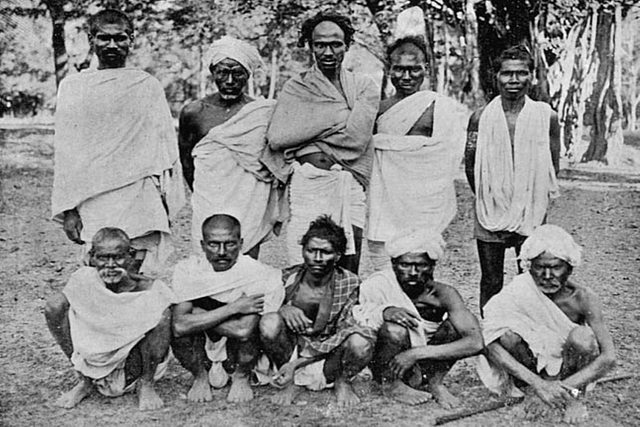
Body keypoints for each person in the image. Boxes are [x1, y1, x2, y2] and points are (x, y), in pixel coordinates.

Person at [51, 9, 185, 275]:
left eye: (120, 38)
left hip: (139, 194)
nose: (112, 45)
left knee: (136, 271)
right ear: (91, 39)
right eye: (104, 38)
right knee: (100, 269)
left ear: (131, 39)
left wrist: (166, 196)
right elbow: (65, 152)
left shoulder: (147, 85)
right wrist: (68, 209)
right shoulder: (73, 87)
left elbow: (166, 147)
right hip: (93, 196)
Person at [264, 12, 380, 273]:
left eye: (336, 44)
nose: (328, 52)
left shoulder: (364, 86)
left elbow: (356, 140)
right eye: (320, 44)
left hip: (348, 182)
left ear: (347, 45)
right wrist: (341, 117)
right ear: (310, 45)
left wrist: (308, 130)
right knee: (304, 256)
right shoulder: (296, 87)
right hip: (308, 183)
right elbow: (278, 138)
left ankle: (345, 312)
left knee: (348, 257)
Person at [477, 224, 616, 424]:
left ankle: (574, 398)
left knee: (583, 338)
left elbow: (609, 358)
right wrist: (540, 385)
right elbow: (488, 343)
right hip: (533, 371)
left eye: (556, 267)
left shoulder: (584, 298)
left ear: (569, 268)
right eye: (540, 267)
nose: (547, 276)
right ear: (529, 266)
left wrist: (560, 388)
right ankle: (531, 392)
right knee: (506, 335)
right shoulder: (519, 290)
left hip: (571, 371)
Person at [464, 45, 561, 312]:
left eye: (521, 73)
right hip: (490, 207)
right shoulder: (480, 117)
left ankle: (527, 331)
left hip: (531, 207)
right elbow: (470, 165)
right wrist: (490, 195)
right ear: (495, 76)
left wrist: (532, 196)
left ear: (532, 76)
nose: (514, 80)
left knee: (529, 276)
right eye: (507, 74)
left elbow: (553, 164)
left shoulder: (546, 116)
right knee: (491, 279)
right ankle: (491, 333)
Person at [44, 228, 174, 411]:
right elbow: (57, 309)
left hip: (133, 364)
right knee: (55, 304)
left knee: (163, 315)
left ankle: (146, 383)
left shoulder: (151, 288)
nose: (111, 265)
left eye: (118, 257)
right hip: (95, 362)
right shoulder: (84, 279)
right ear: (92, 258)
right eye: (103, 258)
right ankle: (85, 380)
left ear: (130, 256)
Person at [178, 37, 284, 259]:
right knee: (207, 257)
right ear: (213, 72)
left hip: (249, 199)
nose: (229, 80)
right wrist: (206, 192)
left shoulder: (261, 113)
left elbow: (271, 160)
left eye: (238, 73)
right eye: (222, 72)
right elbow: (187, 163)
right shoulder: (194, 112)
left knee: (246, 254)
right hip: (209, 196)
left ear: (248, 75)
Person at [367, 36, 466, 271]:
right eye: (399, 69)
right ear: (389, 69)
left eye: (414, 69)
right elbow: (370, 154)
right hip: (386, 200)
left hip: (425, 202)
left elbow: (447, 156)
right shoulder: (378, 109)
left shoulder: (439, 106)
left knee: (420, 264)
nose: (406, 76)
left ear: (426, 69)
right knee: (385, 265)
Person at [353, 229, 483, 407]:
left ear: (432, 265)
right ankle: (391, 384)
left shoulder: (443, 294)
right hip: (388, 361)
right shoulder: (379, 285)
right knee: (394, 329)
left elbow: (475, 342)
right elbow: (357, 319)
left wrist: (415, 353)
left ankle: (434, 382)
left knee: (455, 326)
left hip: (422, 361)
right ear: (393, 264)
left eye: (421, 265)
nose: (413, 272)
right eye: (405, 265)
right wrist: (384, 311)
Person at [259, 215, 376, 407]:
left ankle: (342, 381)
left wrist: (297, 363)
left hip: (329, 354)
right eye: (311, 251)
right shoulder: (287, 278)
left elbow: (348, 330)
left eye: (325, 252)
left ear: (338, 255)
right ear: (303, 250)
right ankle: (290, 380)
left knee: (360, 341)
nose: (317, 258)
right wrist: (283, 309)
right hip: (291, 351)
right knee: (270, 321)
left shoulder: (349, 283)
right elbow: (262, 314)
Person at [171, 214, 284, 403]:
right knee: (171, 321)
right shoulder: (188, 269)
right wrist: (235, 307)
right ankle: (200, 376)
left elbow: (244, 329)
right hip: (205, 343)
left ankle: (241, 376)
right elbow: (179, 326)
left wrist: (199, 315)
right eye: (213, 244)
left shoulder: (257, 273)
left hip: (238, 348)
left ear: (240, 243)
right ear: (202, 244)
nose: (221, 251)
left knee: (255, 327)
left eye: (230, 244)